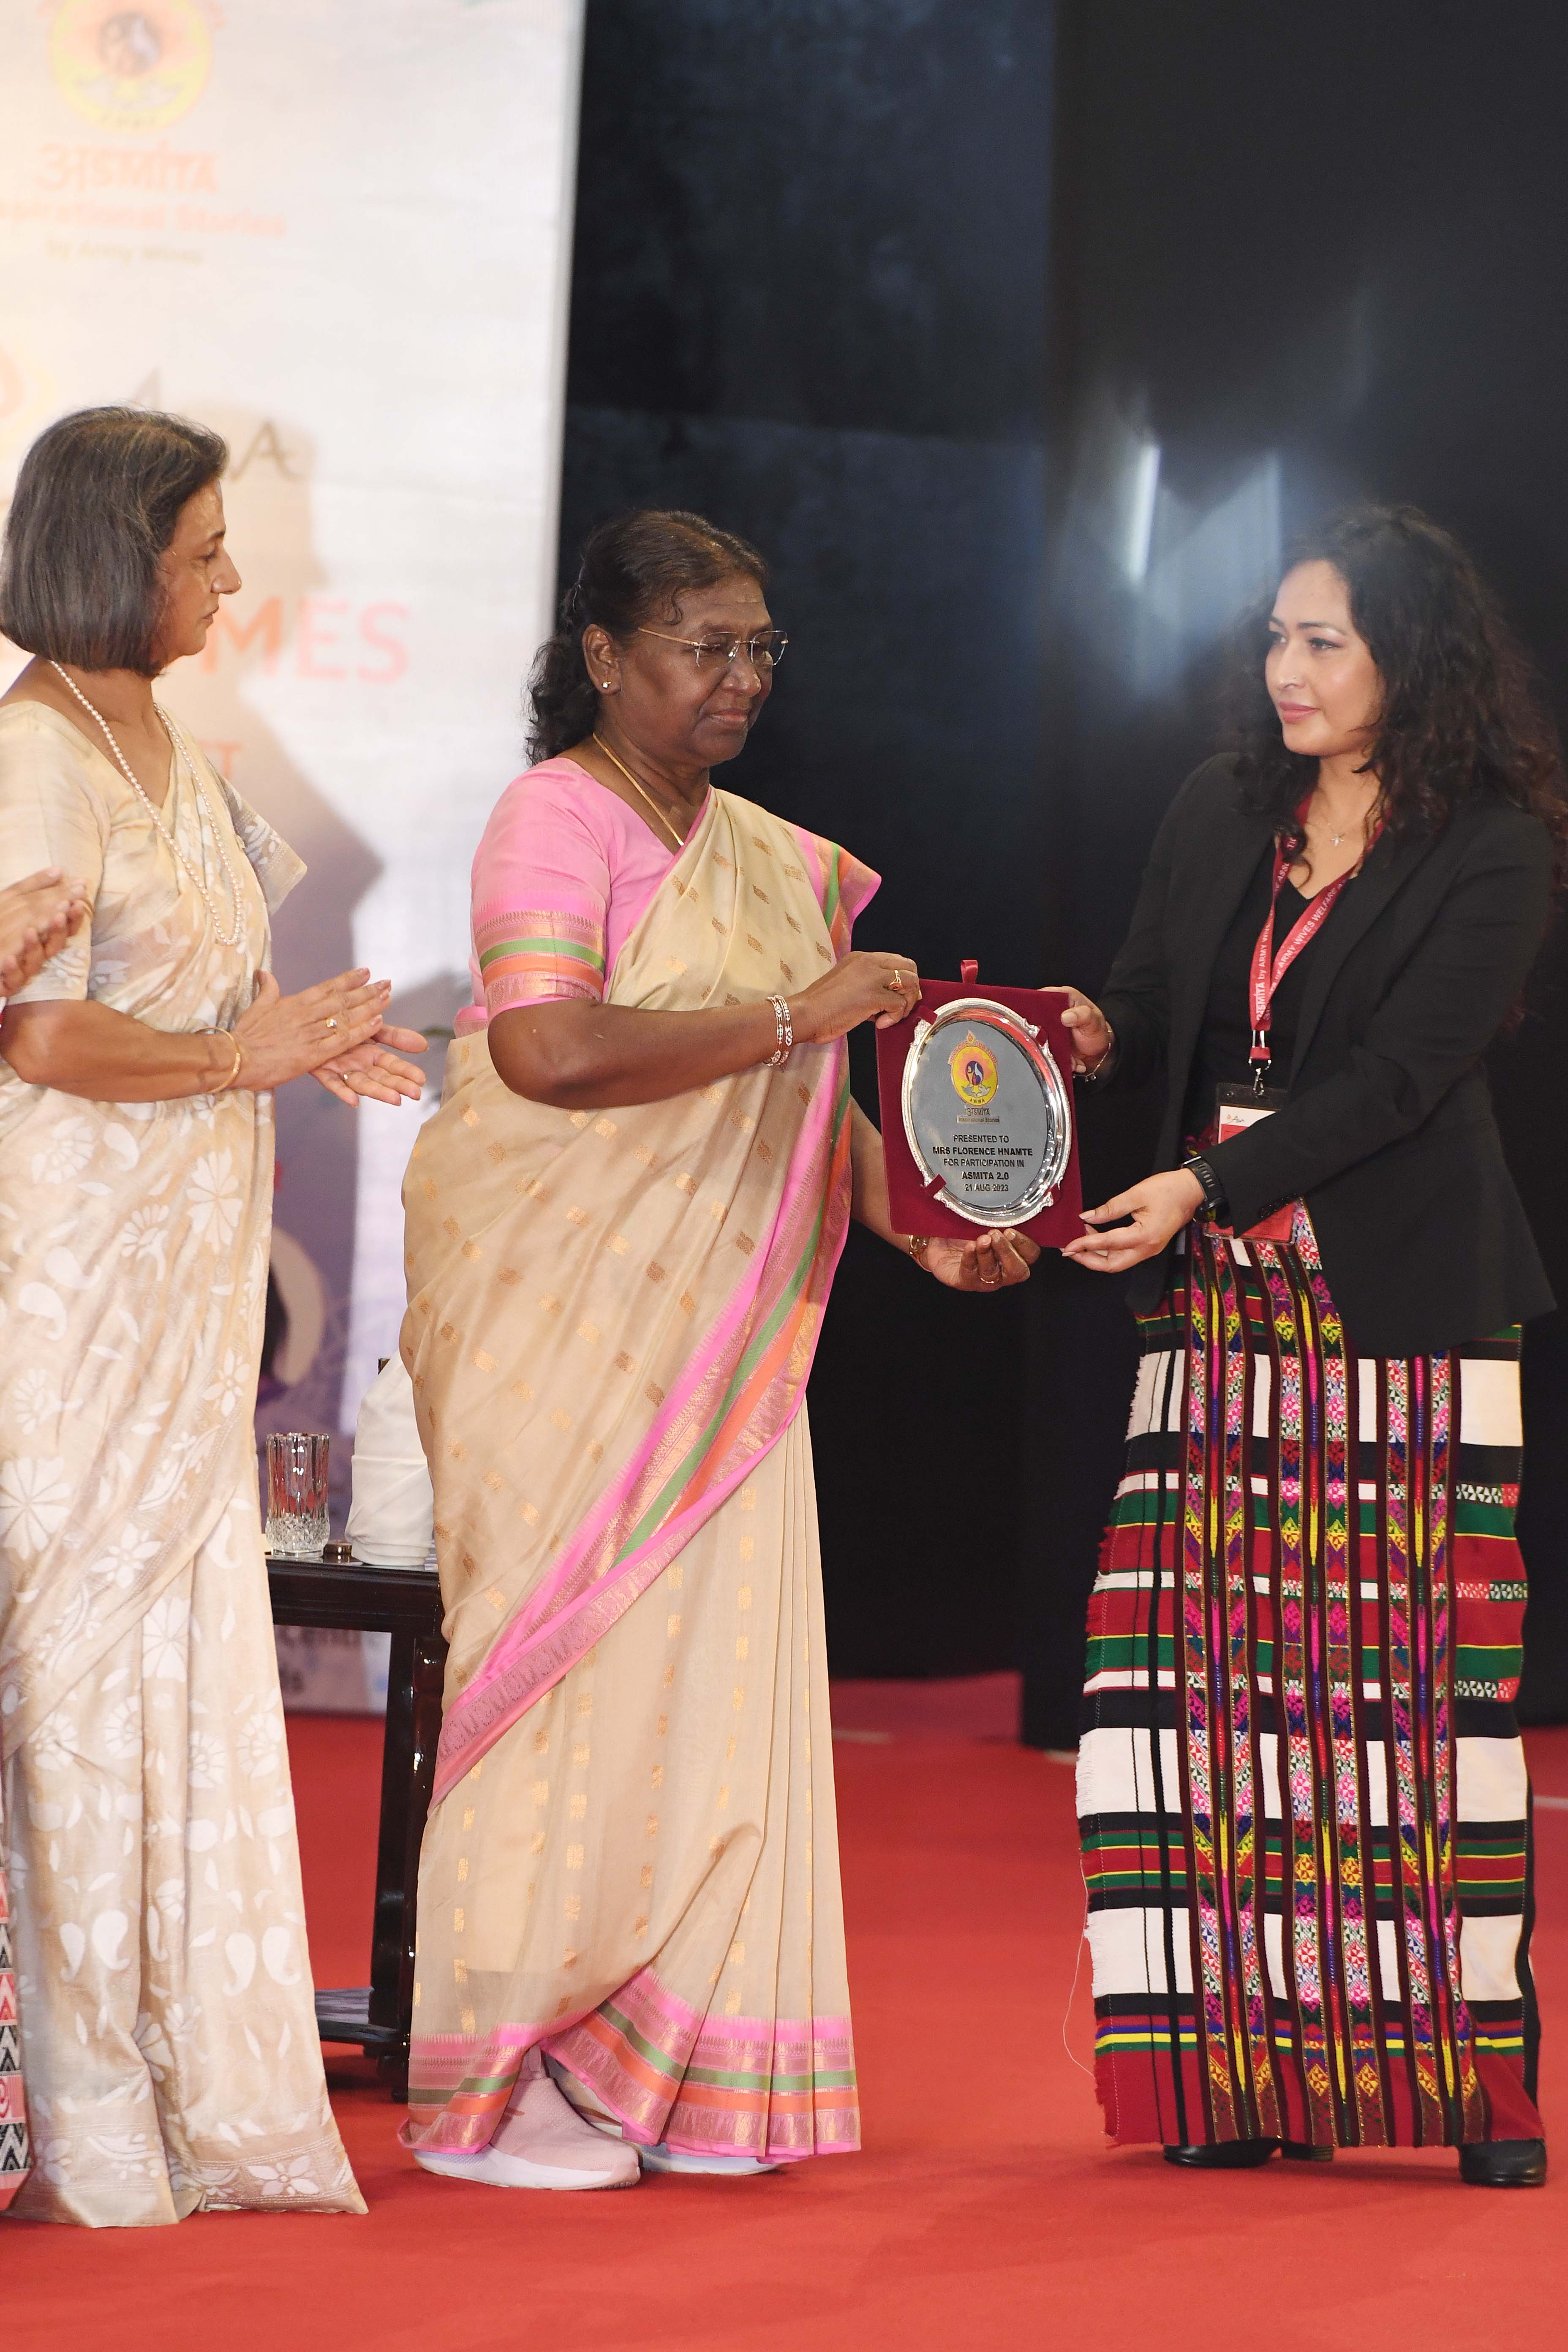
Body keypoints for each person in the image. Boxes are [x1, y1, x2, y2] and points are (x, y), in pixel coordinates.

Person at [402, 509, 1037, 2189]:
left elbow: (811, 1111)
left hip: (724, 1346)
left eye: (760, 646)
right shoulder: (552, 817)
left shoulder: (771, 856)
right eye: (704, 646)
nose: (740, 676)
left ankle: (668, 2068)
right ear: (606, 656)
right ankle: (504, 2084)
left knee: (709, 1683)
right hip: (561, 1323)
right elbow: (546, 1052)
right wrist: (788, 1015)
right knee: (564, 1672)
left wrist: (925, 1232)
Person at [1056, 504, 1562, 2186]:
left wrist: (1207, 1180)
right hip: (1216, 1315)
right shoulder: (1220, 805)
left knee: (1412, 1702)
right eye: (1276, 636)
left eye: (1322, 640)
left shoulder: (1493, 841)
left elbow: (1402, 1078)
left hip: (1399, 1308)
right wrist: (1092, 1031)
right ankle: (1235, 2081)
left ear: (1408, 654)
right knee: (1199, 1696)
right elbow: (1157, 1003)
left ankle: (1472, 2091)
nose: (1285, 667)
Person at [0, 406, 426, 2226]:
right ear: (117, 556)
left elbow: (210, 988)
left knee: (168, 1640)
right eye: (202, 551)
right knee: (80, 1659)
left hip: (181, 1286)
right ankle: (80, 2103)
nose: (232, 577)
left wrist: (303, 1041)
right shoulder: (36, 753)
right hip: (70, 1285)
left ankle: (188, 2080)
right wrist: (239, 1055)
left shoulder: (161, 735)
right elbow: (38, 1031)